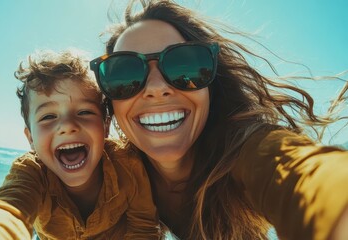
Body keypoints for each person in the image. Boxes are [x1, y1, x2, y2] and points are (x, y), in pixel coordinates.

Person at [89, 0, 348, 239]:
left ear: (211, 85)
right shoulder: (115, 174)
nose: (156, 88)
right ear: (110, 104)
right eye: (124, 75)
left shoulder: (244, 149)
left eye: (184, 66)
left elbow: (304, 177)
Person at [0, 50, 161, 239]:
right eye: (48, 117)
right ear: (30, 138)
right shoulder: (31, 172)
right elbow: (6, 209)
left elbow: (144, 228)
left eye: (84, 112)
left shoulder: (128, 164)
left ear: (106, 126)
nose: (67, 126)